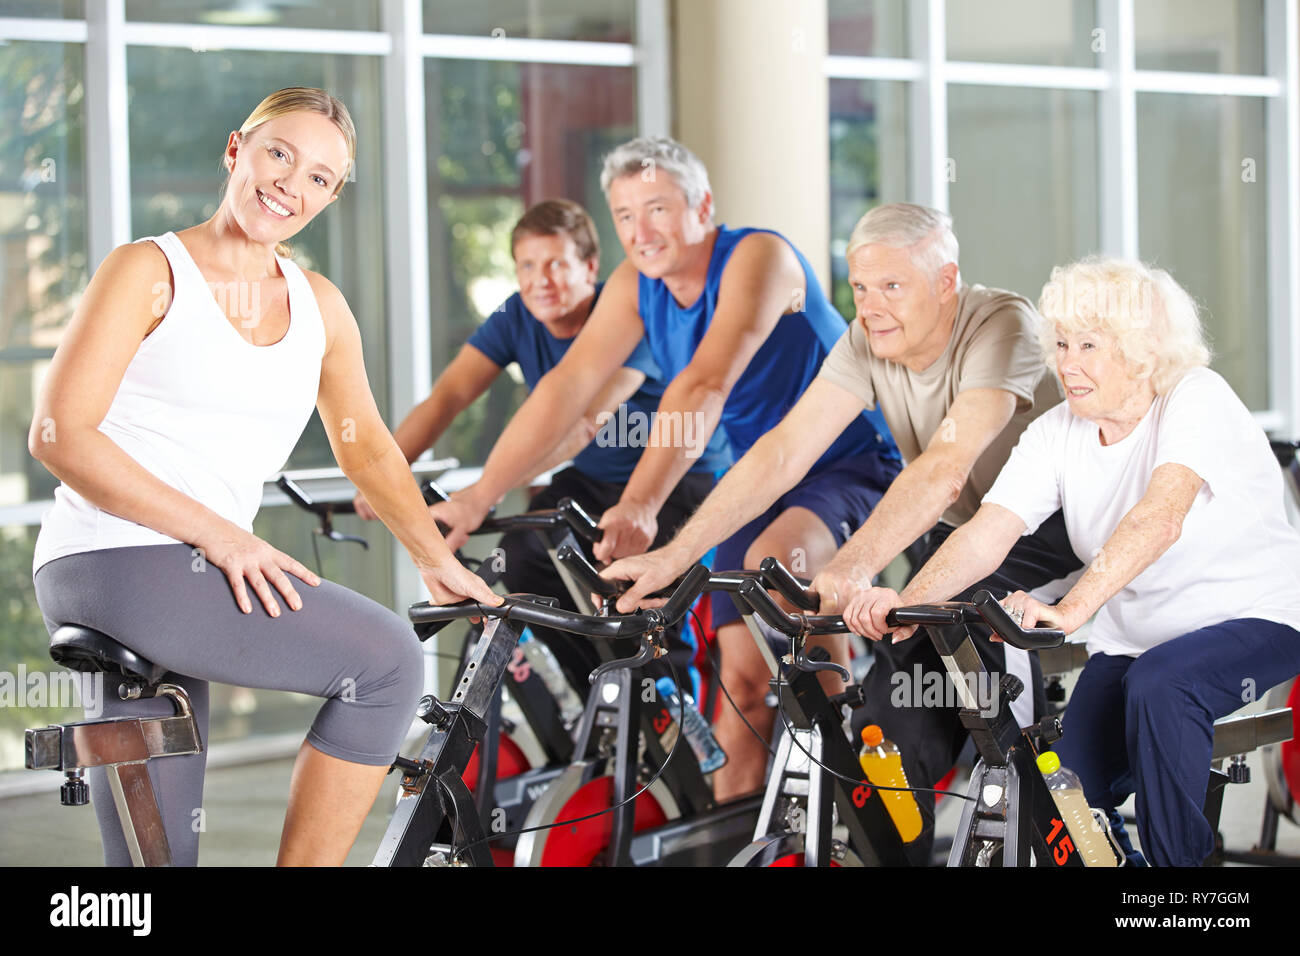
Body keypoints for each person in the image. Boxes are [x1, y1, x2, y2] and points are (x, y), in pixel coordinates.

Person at [28, 88, 500, 867]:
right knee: (385, 662)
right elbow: (59, 435)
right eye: (279, 154)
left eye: (321, 177)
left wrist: (434, 559)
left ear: (331, 197)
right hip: (112, 558)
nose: (291, 183)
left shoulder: (319, 307)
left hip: (190, 576)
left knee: (155, 862)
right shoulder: (149, 270)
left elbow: (368, 449)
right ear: (235, 150)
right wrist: (221, 535)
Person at [431, 137, 900, 802]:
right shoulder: (635, 284)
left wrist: (646, 506)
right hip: (757, 483)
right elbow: (566, 391)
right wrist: (479, 496)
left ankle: (854, 790)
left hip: (849, 465)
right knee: (740, 681)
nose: (639, 231)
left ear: (702, 206)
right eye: (624, 215)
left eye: (656, 208)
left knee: (776, 573)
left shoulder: (758, 257)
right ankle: (729, 831)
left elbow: (704, 386)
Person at [605, 203, 1080, 833]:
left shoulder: (1002, 324)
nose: (870, 304)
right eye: (859, 287)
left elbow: (946, 467)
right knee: (884, 727)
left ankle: (1044, 816)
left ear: (945, 283)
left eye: (891, 286)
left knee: (983, 708)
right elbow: (783, 450)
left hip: (1041, 534)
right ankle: (892, 838)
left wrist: (852, 564)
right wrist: (674, 554)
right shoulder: (868, 340)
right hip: (960, 538)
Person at [849, 256, 1300, 866]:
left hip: (1258, 618)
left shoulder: (1196, 397)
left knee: (1163, 686)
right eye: (1061, 343)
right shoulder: (1057, 431)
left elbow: (1160, 517)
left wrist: (1070, 609)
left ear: (1141, 352)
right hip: (1134, 642)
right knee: (1058, 795)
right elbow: (988, 533)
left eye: (1089, 345)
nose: (1067, 363)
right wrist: (912, 602)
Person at [354, 198, 726, 690]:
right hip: (591, 479)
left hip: (673, 483)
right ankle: (595, 695)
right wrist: (383, 477)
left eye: (556, 265)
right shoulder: (516, 315)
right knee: (525, 557)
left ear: (591, 268)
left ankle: (665, 719)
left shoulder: (627, 314)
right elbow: (449, 397)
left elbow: (583, 426)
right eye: (527, 266)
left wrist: (484, 491)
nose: (540, 280)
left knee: (644, 604)